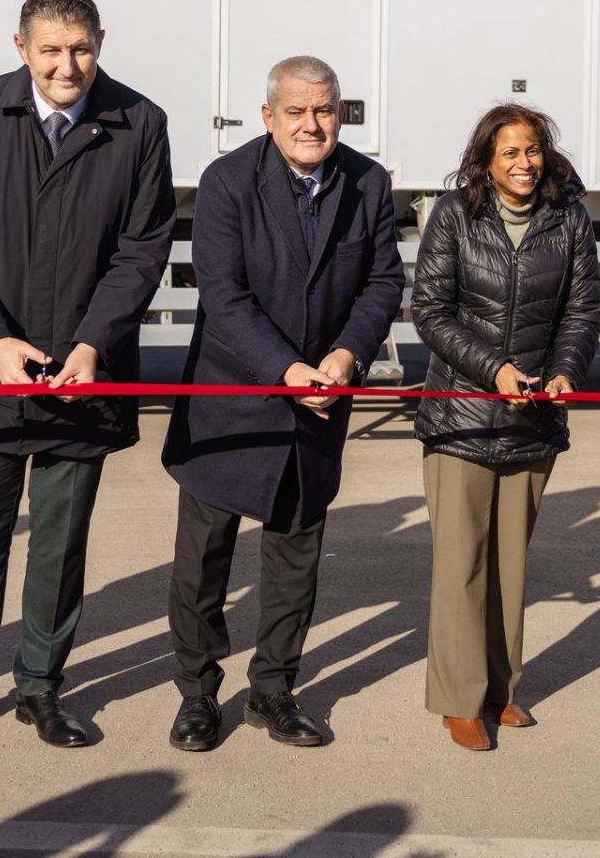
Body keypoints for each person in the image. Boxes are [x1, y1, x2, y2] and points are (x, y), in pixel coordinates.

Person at [0, 0, 173, 751]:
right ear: (20, 47)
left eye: (81, 48)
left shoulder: (140, 123)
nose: (67, 65)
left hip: (83, 377)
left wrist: (94, 344)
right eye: (51, 50)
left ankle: (40, 688)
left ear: (101, 43)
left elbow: (142, 249)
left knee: (59, 546)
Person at [161, 55, 405, 753]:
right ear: (268, 117)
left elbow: (382, 283)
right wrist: (286, 368)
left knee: (296, 558)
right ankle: (197, 693)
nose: (311, 124)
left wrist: (346, 356)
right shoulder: (227, 181)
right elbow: (223, 295)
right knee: (202, 562)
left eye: (324, 110)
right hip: (229, 403)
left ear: (341, 113)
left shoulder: (368, 182)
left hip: (317, 404)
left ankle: (273, 690)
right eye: (295, 111)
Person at [409, 104, 600, 751]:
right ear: (486, 159)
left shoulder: (569, 217)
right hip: (461, 414)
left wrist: (567, 370)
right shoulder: (455, 214)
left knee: (509, 566)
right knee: (461, 564)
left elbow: (582, 311)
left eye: (533, 150)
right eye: (510, 152)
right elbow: (430, 311)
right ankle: (458, 700)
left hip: (532, 419)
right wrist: (494, 369)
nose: (524, 163)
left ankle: (500, 689)